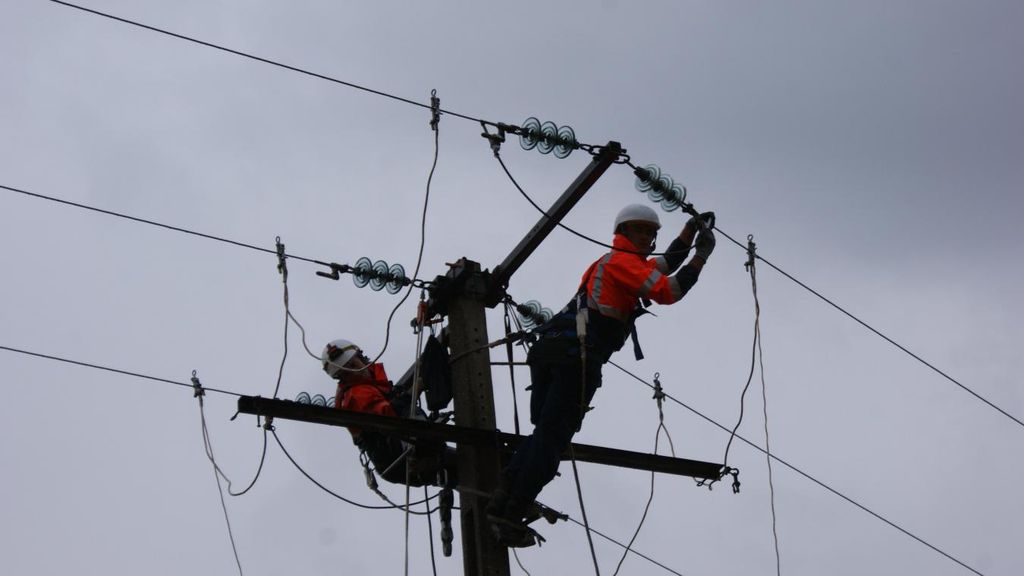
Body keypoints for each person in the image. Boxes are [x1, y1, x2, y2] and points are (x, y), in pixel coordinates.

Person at [488, 204, 715, 545]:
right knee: (552, 441)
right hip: (574, 357)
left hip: (553, 351)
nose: (650, 237)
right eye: (642, 231)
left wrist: (687, 233)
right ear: (623, 232)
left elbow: (663, 265)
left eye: (653, 233)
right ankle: (509, 513)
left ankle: (504, 496)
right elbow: (669, 290)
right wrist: (702, 256)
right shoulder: (622, 263)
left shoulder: (618, 263)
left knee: (544, 434)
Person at [321, 338, 454, 487]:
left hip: (403, 455)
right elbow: (387, 415)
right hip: (398, 457)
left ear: (361, 358)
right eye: (346, 373)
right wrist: (416, 389)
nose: (354, 373)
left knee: (465, 466)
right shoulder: (356, 395)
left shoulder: (374, 386)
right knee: (468, 463)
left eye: (353, 365)